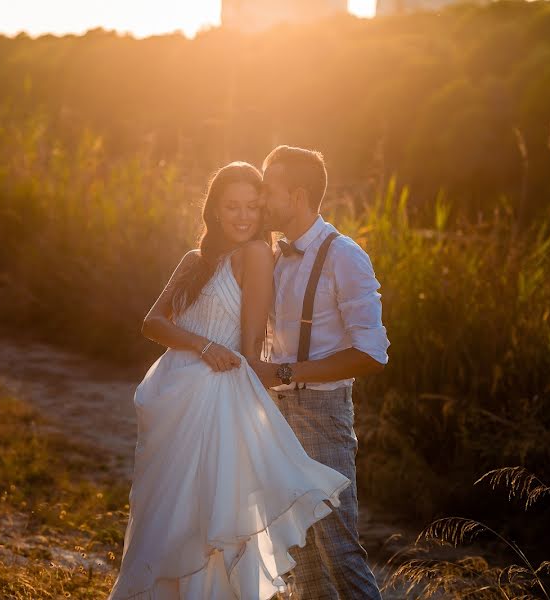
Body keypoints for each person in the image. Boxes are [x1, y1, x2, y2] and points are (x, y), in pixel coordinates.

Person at [107, 161, 351, 600]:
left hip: (217, 395)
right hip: (173, 393)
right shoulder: (193, 261)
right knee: (162, 515)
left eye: (253, 208)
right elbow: (152, 322)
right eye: (232, 206)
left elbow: (252, 342)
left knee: (202, 516)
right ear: (214, 210)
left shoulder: (255, 254)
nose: (243, 217)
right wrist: (201, 345)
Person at [252, 145, 389, 599]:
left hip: (322, 414)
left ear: (298, 194)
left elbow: (372, 353)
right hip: (276, 414)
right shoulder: (269, 253)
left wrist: (286, 372)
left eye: (267, 190)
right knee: (300, 554)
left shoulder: (343, 255)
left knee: (338, 550)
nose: (259, 200)